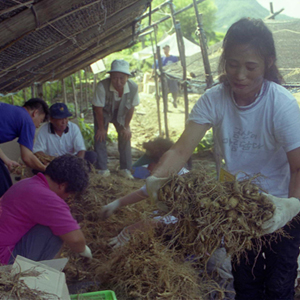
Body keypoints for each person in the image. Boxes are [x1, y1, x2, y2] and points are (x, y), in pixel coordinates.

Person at [146, 18, 300, 300]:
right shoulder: (213, 99)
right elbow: (181, 150)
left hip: (280, 204)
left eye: (250, 67)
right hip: (237, 206)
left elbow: (299, 166)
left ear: (268, 63)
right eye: (232, 64)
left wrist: (291, 205)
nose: (239, 75)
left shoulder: (282, 104)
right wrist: (157, 179)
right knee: (245, 283)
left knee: (279, 284)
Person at [0, 154, 92, 265]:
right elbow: (75, 239)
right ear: (63, 186)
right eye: (69, 193)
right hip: (4, 260)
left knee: (56, 224)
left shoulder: (27, 183)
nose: (67, 197)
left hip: (5, 246)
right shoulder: (47, 198)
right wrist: (85, 251)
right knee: (57, 230)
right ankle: (41, 274)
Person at [92, 59, 140, 179]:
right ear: (110, 77)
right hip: (103, 112)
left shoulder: (133, 87)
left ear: (127, 77)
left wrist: (126, 126)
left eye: (121, 78)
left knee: (125, 135)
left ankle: (125, 168)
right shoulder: (102, 86)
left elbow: (131, 109)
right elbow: (98, 109)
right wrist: (102, 128)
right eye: (114, 78)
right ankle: (102, 168)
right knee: (100, 136)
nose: (118, 82)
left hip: (122, 113)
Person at [0, 98, 49, 197]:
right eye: (40, 120)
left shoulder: (12, 112)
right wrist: (46, 169)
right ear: (35, 113)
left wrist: (7, 161)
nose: (38, 125)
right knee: (4, 189)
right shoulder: (27, 120)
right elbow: (27, 157)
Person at [33, 103, 97, 167]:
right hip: (53, 162)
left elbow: (81, 149)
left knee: (91, 155)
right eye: (60, 119)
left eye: (66, 118)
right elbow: (38, 151)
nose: (64, 122)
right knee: (36, 166)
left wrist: (78, 163)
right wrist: (47, 160)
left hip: (71, 161)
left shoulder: (73, 128)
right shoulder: (43, 130)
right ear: (51, 119)